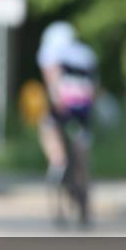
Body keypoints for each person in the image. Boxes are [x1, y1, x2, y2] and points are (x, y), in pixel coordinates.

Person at [37, 22, 98, 184]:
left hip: (64, 101)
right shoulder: (86, 53)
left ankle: (58, 161)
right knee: (83, 138)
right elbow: (94, 84)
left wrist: (57, 99)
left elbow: (53, 78)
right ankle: (83, 171)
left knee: (47, 125)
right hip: (84, 103)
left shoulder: (50, 53)